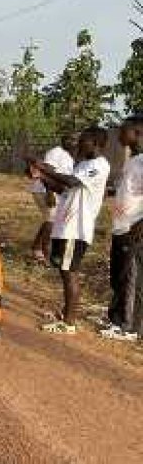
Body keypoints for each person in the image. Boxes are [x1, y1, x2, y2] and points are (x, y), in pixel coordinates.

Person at [28, 126, 110, 335]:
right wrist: (39, 176)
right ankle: (66, 314)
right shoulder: (82, 164)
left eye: (84, 140)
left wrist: (43, 168)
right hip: (65, 227)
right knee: (64, 271)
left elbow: (70, 181)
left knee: (69, 273)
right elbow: (64, 189)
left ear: (97, 144)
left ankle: (69, 323)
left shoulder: (99, 165)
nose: (79, 143)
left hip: (76, 229)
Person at [101, 115, 143, 341]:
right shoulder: (133, 159)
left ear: (137, 132)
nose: (118, 134)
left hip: (133, 230)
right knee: (118, 276)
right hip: (120, 228)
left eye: (123, 130)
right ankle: (116, 318)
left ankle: (130, 326)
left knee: (131, 278)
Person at [28, 134, 75, 261]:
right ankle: (45, 253)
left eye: (75, 140)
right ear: (63, 140)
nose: (73, 142)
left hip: (55, 192)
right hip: (44, 190)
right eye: (70, 139)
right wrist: (49, 193)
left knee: (50, 220)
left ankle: (36, 247)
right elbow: (46, 171)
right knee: (51, 221)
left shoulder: (69, 155)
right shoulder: (55, 152)